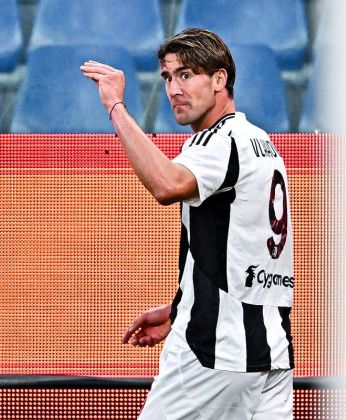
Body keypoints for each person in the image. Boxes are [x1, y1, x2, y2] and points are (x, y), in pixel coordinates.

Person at [81, 28, 295, 419]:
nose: (174, 88)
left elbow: (167, 186)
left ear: (220, 79)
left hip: (216, 350)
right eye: (167, 77)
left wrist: (115, 107)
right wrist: (181, 307)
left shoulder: (219, 141)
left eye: (186, 74)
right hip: (271, 349)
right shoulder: (260, 140)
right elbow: (237, 247)